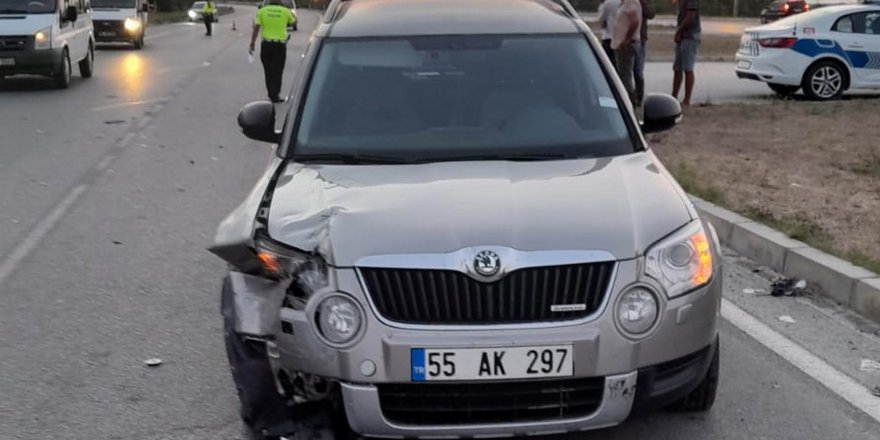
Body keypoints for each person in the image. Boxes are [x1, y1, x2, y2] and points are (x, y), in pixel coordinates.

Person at [249, 0, 296, 103]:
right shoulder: (285, 11)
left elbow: (256, 28)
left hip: (266, 45)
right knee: (278, 70)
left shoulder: (262, 11)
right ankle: (275, 94)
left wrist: (252, 42)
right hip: (279, 45)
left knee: (268, 70)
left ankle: (271, 93)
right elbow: (294, 22)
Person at [611, 0, 642, 107]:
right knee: (623, 74)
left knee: (625, 76)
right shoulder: (624, 3)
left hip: (625, 46)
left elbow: (635, 21)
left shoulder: (631, 2)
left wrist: (626, 39)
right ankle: (628, 100)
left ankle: (630, 102)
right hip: (619, 44)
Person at [672, 0, 701, 106]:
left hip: (690, 36)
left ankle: (686, 100)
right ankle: (673, 97)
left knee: (688, 69)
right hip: (683, 36)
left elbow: (691, 17)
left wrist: (679, 30)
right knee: (677, 68)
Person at [634, 0, 656, 107]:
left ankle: (639, 99)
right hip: (623, 39)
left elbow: (651, 13)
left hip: (639, 39)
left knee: (638, 71)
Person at [597, 0, 620, 68]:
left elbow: (602, 21)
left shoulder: (607, 3)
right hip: (620, 38)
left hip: (608, 36)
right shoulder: (623, 2)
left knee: (608, 64)